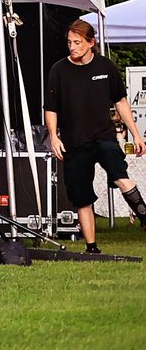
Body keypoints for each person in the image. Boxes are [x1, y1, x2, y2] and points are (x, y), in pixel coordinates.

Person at [44, 18, 146, 253]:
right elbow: (50, 108)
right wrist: (54, 137)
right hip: (74, 142)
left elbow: (121, 102)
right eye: (69, 42)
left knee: (119, 173)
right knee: (82, 197)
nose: (72, 47)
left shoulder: (106, 67)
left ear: (91, 43)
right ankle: (92, 249)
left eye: (77, 42)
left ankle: (143, 216)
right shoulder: (58, 70)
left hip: (103, 136)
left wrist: (136, 135)